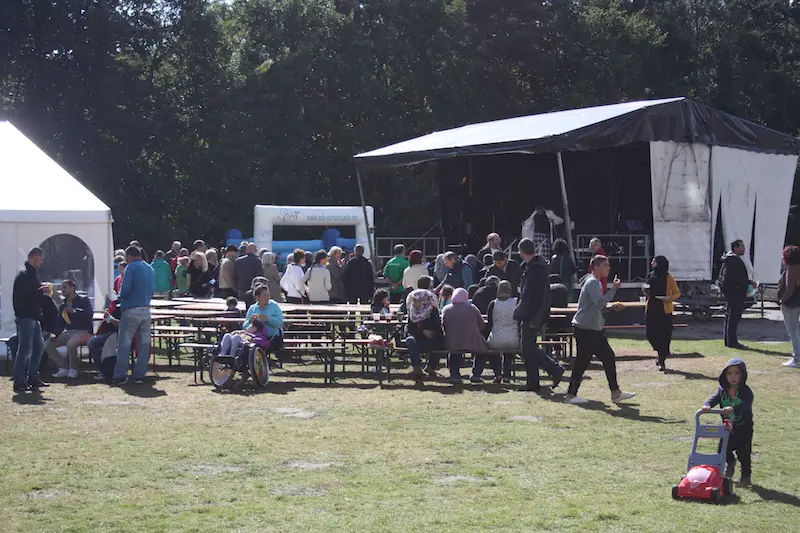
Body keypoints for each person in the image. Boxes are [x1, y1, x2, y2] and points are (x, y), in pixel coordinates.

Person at [566, 255, 635, 404]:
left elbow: (598, 306)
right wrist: (613, 290)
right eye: (605, 265)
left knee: (607, 357)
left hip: (592, 329)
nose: (608, 268)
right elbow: (598, 304)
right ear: (596, 267)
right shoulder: (592, 282)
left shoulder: (594, 282)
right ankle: (571, 395)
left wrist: (611, 306)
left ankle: (615, 393)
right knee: (582, 363)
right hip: (586, 329)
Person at [513, 238, 564, 393]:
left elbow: (542, 297)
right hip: (528, 313)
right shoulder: (534, 267)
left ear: (522, 252)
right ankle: (533, 382)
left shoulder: (537, 269)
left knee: (528, 348)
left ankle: (554, 369)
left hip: (532, 315)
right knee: (527, 349)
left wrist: (535, 319)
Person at [702, 358, 754, 485]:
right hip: (727, 427)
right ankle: (730, 462)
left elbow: (746, 406)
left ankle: (745, 476)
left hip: (743, 428)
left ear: (742, 375)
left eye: (736, 373)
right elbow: (714, 398)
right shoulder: (722, 390)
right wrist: (707, 405)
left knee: (744, 453)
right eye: (729, 373)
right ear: (725, 375)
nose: (733, 377)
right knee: (722, 449)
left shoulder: (746, 392)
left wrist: (733, 409)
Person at [111, 246, 155, 384]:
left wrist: (118, 298)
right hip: (146, 309)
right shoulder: (150, 268)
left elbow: (125, 289)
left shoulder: (131, 268)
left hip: (131, 309)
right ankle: (139, 374)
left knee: (124, 344)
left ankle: (120, 374)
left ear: (129, 256)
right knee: (144, 344)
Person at [12, 247, 49, 392]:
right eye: (41, 258)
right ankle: (19, 380)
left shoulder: (31, 275)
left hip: (33, 317)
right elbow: (25, 296)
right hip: (25, 317)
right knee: (25, 348)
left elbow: (32, 293)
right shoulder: (24, 276)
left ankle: (32, 376)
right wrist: (41, 292)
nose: (42, 261)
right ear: (34, 257)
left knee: (39, 347)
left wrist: (40, 291)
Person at [441, 287, 490, 384]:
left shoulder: (446, 309)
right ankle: (476, 374)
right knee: (481, 351)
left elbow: (444, 325)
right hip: (472, 340)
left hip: (453, 340)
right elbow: (481, 324)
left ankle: (455, 375)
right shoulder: (472, 308)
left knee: (454, 353)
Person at [47, 280, 94, 378]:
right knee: (48, 345)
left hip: (85, 331)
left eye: (65, 287)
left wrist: (73, 311)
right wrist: (54, 333)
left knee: (71, 343)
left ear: (72, 288)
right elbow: (60, 322)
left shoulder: (83, 300)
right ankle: (63, 367)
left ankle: (73, 369)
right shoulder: (63, 304)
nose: (62, 290)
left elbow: (89, 314)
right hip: (69, 331)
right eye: (61, 288)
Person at [643, 256, 681, 371]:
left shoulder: (669, 277)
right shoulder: (650, 275)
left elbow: (677, 293)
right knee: (650, 334)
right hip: (652, 308)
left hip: (664, 310)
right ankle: (659, 350)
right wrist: (644, 290)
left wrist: (669, 298)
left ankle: (662, 359)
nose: (652, 262)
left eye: (654, 261)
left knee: (664, 336)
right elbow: (646, 287)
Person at [719, 240, 756, 349]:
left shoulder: (729, 259)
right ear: (735, 248)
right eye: (742, 247)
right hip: (735, 293)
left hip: (731, 292)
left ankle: (728, 341)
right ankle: (732, 341)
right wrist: (745, 286)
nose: (744, 249)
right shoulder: (734, 260)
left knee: (730, 316)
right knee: (734, 317)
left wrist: (749, 282)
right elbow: (736, 278)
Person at [404, 288, 445, 380]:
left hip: (433, 339)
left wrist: (427, 331)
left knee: (437, 344)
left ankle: (430, 367)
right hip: (418, 338)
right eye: (413, 300)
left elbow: (436, 328)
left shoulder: (433, 311)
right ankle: (417, 368)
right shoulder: (412, 311)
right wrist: (422, 331)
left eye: (416, 301)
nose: (413, 303)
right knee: (410, 341)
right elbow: (410, 328)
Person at [487, 280, 520, 383]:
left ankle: (497, 373)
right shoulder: (516, 302)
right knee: (508, 351)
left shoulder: (493, 303)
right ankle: (507, 374)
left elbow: (490, 322)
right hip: (513, 337)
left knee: (492, 349)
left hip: (496, 335)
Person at [242, 285, 285, 351]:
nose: (267, 297)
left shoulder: (274, 306)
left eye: (268, 295)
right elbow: (245, 326)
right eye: (265, 295)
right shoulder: (252, 308)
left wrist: (268, 318)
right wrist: (250, 321)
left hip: (272, 337)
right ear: (257, 297)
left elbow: (280, 324)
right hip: (255, 336)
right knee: (247, 344)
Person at [88, 299, 122, 381]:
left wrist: (109, 318)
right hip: (107, 333)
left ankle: (106, 372)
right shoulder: (114, 303)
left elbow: (122, 326)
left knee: (93, 342)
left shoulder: (128, 306)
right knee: (92, 342)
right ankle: (103, 370)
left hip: (119, 334)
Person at [778, 246, 800, 368]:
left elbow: (790, 288)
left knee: (793, 331)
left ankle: (797, 358)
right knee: (798, 331)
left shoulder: (791, 269)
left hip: (791, 304)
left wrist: (782, 300)